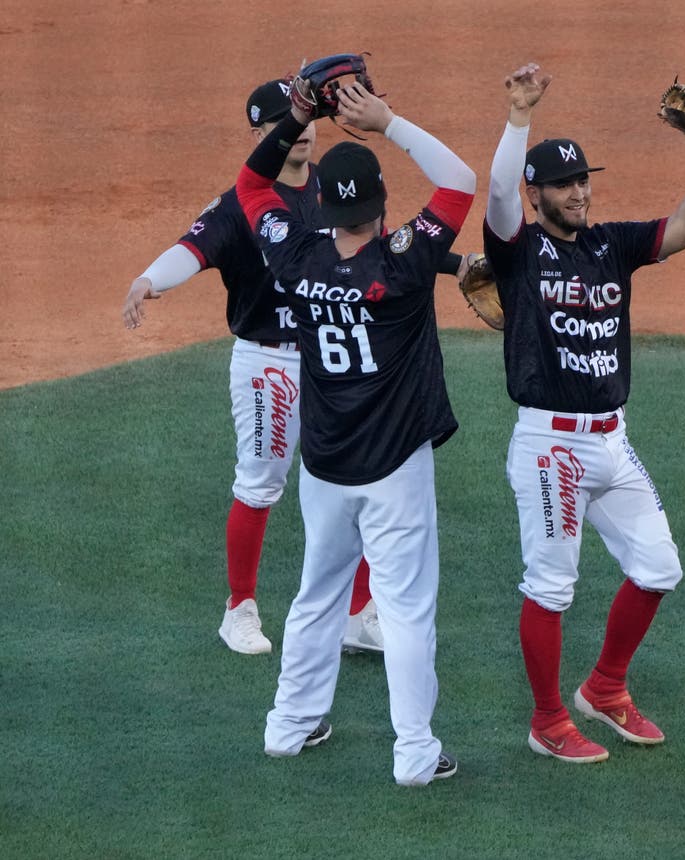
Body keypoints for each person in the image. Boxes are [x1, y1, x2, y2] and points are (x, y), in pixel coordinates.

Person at [122, 79, 473, 657]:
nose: (304, 128)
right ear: (262, 134)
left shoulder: (330, 189)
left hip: (327, 362)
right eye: (287, 121)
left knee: (358, 473)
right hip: (268, 360)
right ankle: (239, 609)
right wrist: (148, 280)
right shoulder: (242, 204)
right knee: (261, 483)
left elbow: (376, 257)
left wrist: (454, 263)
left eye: (306, 117)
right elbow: (194, 248)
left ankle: (359, 615)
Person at [483, 63, 685, 763]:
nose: (579, 192)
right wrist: (518, 117)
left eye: (583, 180)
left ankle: (606, 687)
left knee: (659, 567)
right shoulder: (519, 250)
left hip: (611, 442)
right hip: (550, 447)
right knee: (551, 585)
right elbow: (499, 191)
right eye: (564, 184)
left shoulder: (608, 243)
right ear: (538, 196)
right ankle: (546, 720)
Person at [235, 74, 474, 785]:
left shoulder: (297, 257)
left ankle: (288, 726)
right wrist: (387, 122)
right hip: (396, 467)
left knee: (317, 593)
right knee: (405, 609)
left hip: (325, 465)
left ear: (324, 207)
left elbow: (251, 188)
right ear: (379, 203)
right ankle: (414, 753)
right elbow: (459, 180)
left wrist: (294, 119)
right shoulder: (404, 262)